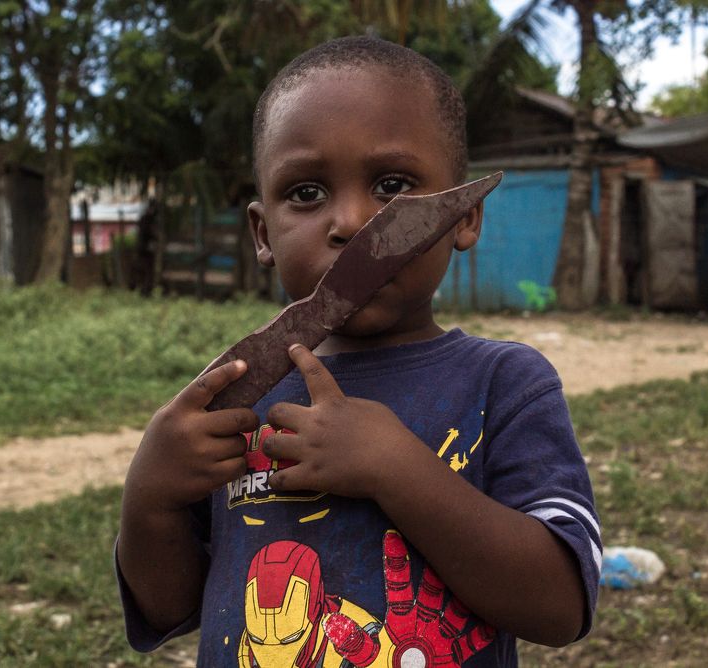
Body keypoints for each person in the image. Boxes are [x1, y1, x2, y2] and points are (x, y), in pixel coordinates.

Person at [116, 36, 601, 668]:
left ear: (464, 217)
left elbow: (560, 606)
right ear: (263, 233)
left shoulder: (504, 384)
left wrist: (395, 469)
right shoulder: (238, 393)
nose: (350, 221)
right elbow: (169, 606)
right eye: (307, 193)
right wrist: (148, 498)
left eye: (392, 184)